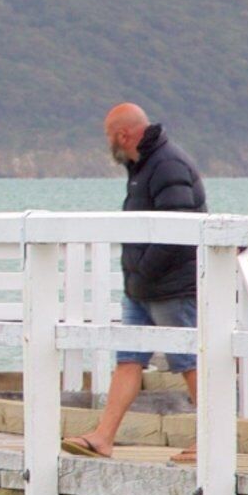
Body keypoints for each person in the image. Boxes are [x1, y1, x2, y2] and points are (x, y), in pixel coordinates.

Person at [66, 103, 203, 456]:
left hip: (171, 288)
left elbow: (180, 226)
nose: (108, 142)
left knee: (190, 362)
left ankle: (213, 441)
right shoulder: (142, 165)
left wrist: (144, 270)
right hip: (142, 288)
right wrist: (138, 277)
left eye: (109, 135)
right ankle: (103, 437)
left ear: (123, 135)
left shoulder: (166, 164)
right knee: (128, 360)